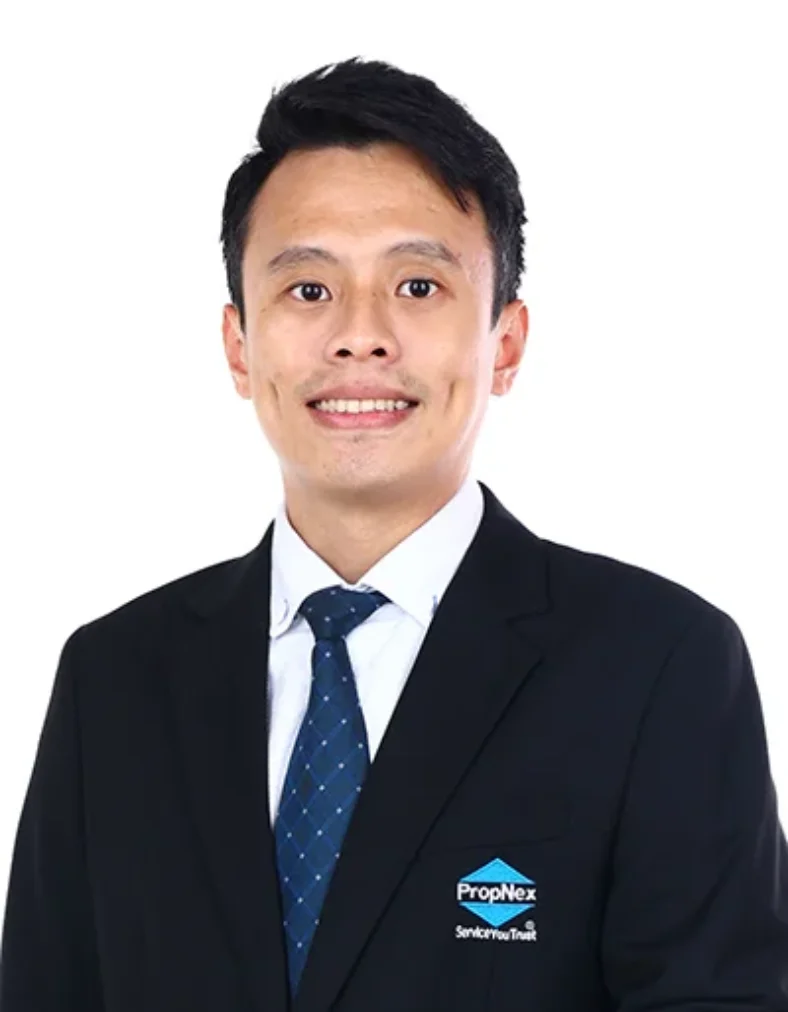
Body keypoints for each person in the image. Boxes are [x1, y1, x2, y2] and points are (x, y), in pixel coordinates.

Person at [1, 55, 786, 1012]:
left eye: (417, 286)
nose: (360, 334)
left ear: (505, 342)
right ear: (239, 347)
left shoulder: (660, 664)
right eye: (307, 290)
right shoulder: (113, 679)